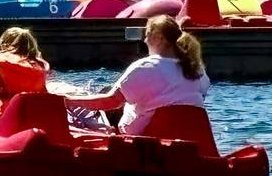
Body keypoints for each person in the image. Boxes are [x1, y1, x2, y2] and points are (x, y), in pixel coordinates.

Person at [62, 14, 210, 136]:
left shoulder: (147, 66)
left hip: (147, 141)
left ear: (158, 38)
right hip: (194, 137)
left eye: (147, 35)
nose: (145, 40)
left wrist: (68, 101)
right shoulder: (198, 70)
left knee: (112, 102)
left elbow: (111, 102)